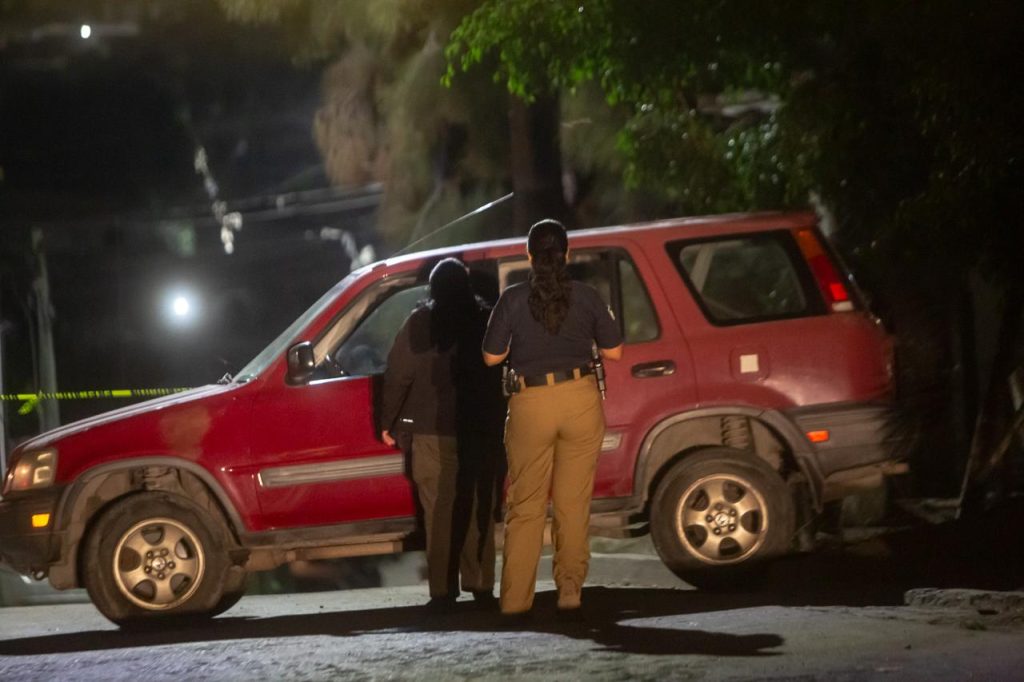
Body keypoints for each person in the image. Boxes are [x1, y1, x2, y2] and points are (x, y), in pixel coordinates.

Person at [482, 219, 623, 617]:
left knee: (526, 505)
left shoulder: (512, 299)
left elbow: (491, 357)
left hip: (531, 404)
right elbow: (615, 352)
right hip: (579, 399)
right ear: (567, 254)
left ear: (528, 256)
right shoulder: (588, 296)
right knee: (572, 504)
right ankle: (570, 591)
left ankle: (515, 601)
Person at [381, 258, 505, 610]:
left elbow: (398, 375)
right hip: (478, 430)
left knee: (438, 512)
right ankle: (480, 584)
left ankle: (442, 590)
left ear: (433, 289)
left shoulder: (419, 322)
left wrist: (388, 422)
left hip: (431, 430)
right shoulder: (485, 320)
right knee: (478, 506)